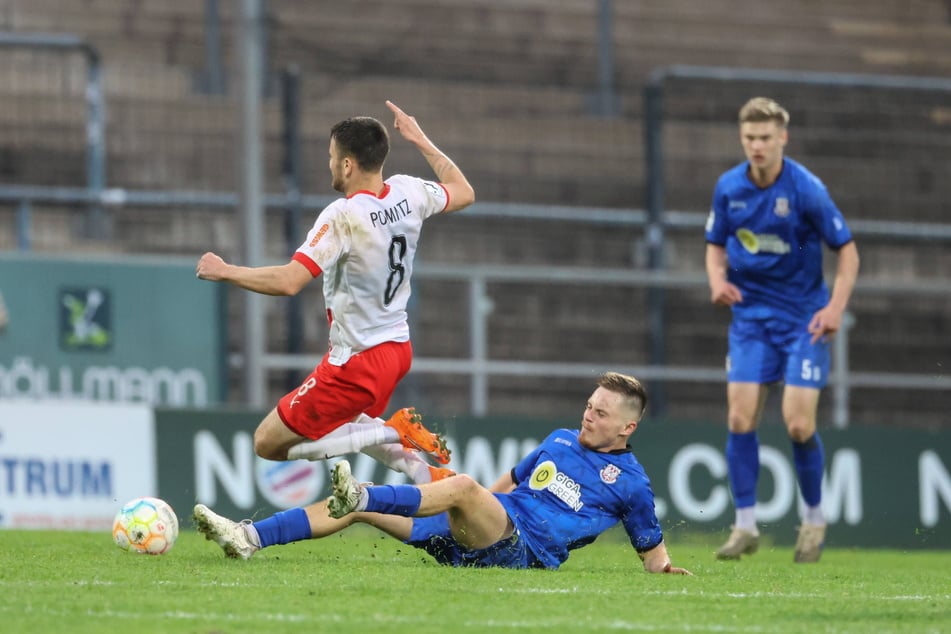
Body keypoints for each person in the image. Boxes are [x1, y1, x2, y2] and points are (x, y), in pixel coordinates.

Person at [196, 101, 475, 484]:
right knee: (350, 423)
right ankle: (427, 476)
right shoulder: (409, 192)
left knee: (267, 444)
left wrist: (225, 272)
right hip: (396, 349)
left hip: (357, 361)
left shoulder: (343, 216)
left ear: (347, 164)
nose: (329, 164)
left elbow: (289, 281)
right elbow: (464, 191)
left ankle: (395, 431)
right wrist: (419, 138)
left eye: (332, 156)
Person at [193, 371, 692, 574]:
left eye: (601, 413)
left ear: (627, 426)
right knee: (361, 507)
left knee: (454, 486)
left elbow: (653, 554)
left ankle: (364, 497)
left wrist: (668, 572)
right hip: (484, 531)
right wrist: (471, 504)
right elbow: (508, 487)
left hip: (522, 553)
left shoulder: (631, 484)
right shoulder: (559, 440)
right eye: (588, 405)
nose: (588, 415)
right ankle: (248, 537)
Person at [704, 97, 860, 563]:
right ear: (742, 138)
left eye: (766, 138)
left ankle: (813, 520)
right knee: (738, 419)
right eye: (750, 138)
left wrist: (835, 308)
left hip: (801, 322)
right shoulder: (728, 188)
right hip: (750, 320)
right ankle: (745, 526)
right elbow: (714, 245)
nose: (757, 146)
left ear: (783, 139)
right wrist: (716, 280)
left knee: (797, 423)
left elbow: (848, 251)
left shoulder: (807, 189)